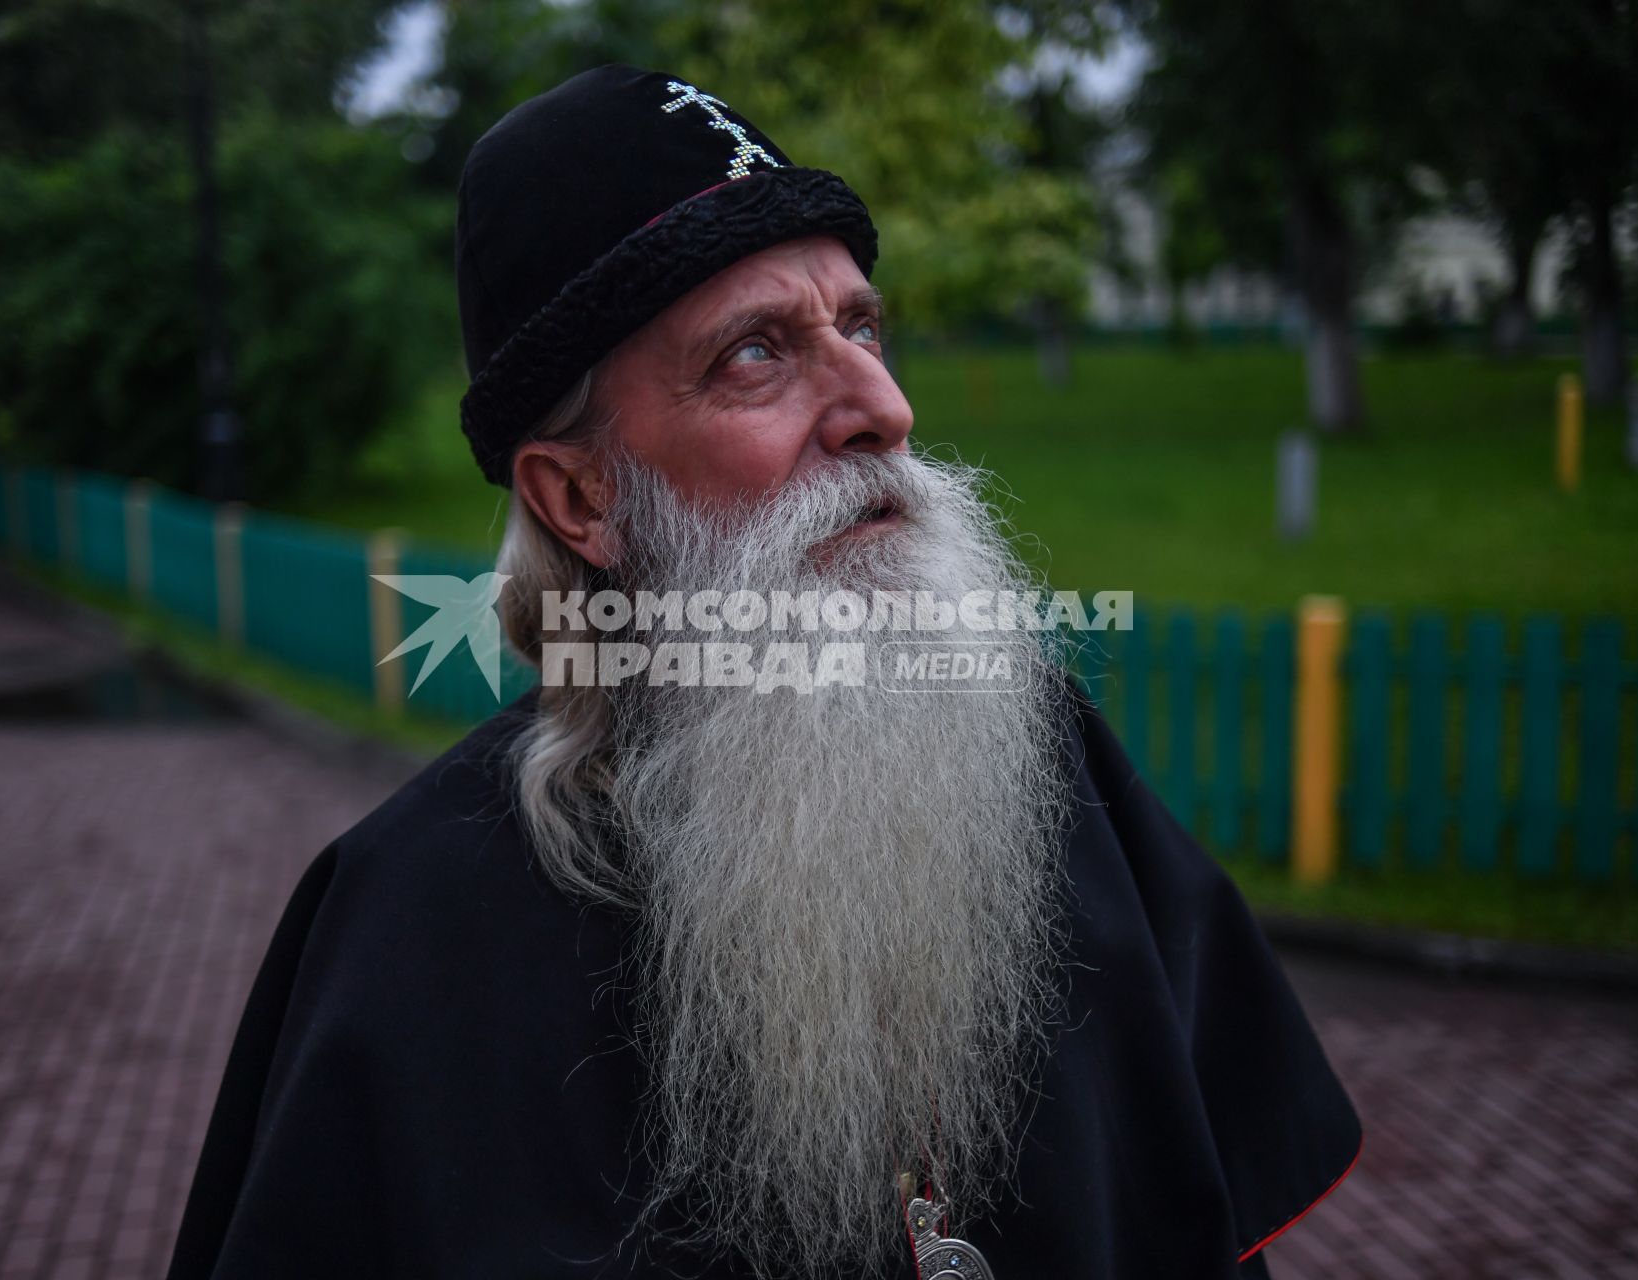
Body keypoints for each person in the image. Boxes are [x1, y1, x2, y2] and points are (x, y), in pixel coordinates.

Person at [165, 65, 1360, 1280]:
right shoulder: (411, 920)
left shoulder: (1046, 754)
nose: (881, 407)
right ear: (581, 496)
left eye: (860, 325)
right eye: (754, 354)